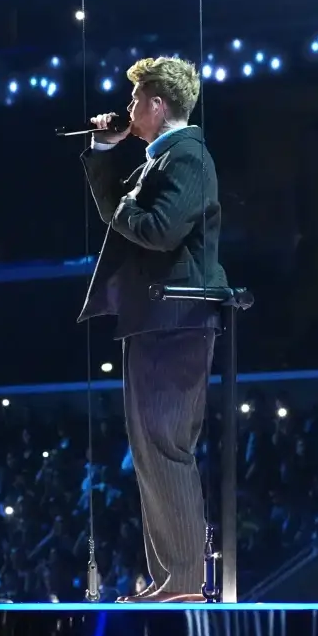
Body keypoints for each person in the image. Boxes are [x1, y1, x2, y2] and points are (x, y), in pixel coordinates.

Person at [81, 56, 226, 603]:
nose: (128, 108)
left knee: (165, 444)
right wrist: (103, 153)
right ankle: (171, 576)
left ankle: (184, 579)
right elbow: (123, 217)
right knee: (150, 452)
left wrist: (121, 202)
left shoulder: (187, 156)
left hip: (176, 318)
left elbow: (159, 231)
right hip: (156, 318)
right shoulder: (163, 158)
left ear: (157, 104)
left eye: (136, 98)